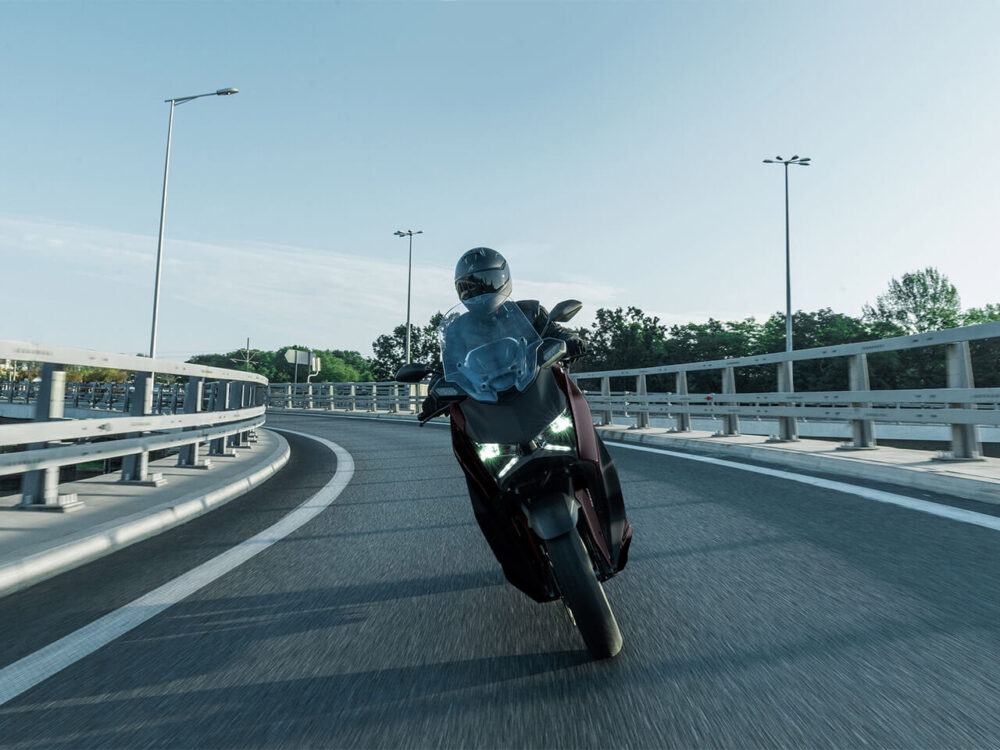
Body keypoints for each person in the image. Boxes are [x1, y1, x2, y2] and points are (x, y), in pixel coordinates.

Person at [419, 247, 587, 420]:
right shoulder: (457, 329)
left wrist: (571, 341)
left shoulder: (530, 313)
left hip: (537, 396)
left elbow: (557, 332)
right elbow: (446, 367)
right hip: (487, 409)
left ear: (502, 279)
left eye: (485, 281)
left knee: (578, 415)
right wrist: (435, 394)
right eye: (468, 286)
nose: (478, 291)